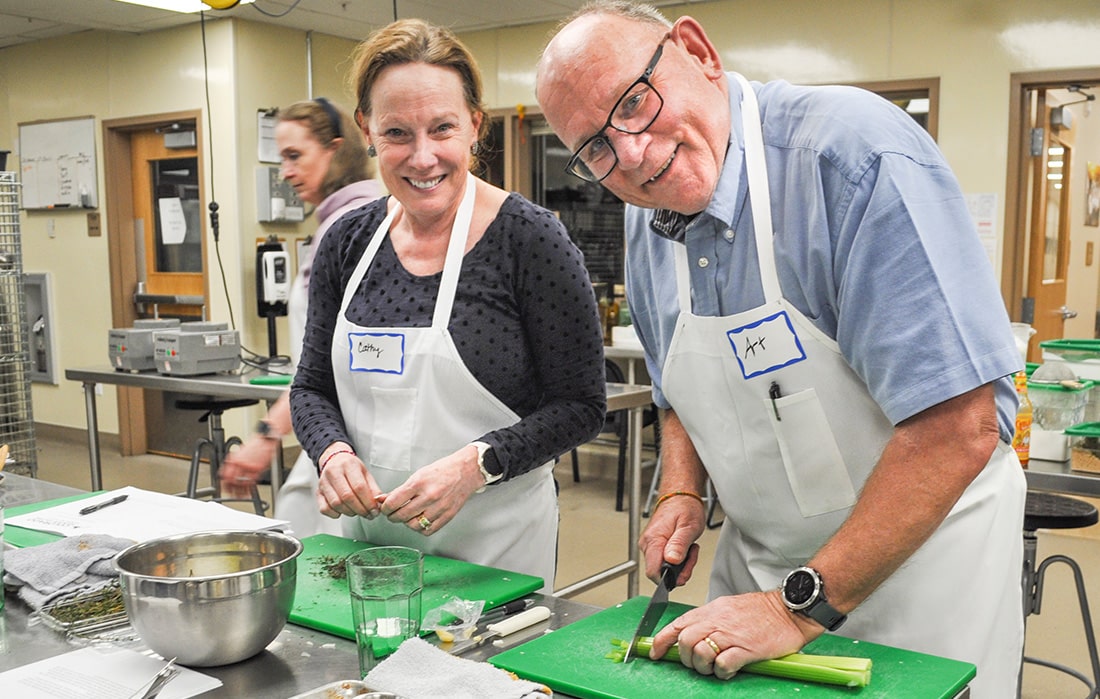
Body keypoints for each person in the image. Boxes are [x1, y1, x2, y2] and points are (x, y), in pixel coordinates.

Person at [536, 2, 1026, 696]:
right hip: (759, 586)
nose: (633, 155)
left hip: (925, 581)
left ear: (698, 51)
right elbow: (683, 392)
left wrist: (796, 606)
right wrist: (681, 486)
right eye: (595, 149)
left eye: (636, 102)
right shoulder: (645, 218)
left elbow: (957, 429)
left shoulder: (850, 156)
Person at [288, 18, 606, 589]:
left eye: (442, 129)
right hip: (368, 555)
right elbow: (311, 387)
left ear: (475, 127)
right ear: (367, 130)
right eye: (397, 134)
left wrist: (475, 466)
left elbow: (580, 405)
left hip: (494, 554)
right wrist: (331, 454)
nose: (423, 156)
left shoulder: (530, 241)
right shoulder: (347, 241)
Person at [220, 98, 383, 537]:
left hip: (347, 439)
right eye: (282, 159)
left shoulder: (351, 225)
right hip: (336, 432)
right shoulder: (343, 220)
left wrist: (266, 435)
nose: (286, 171)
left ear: (335, 149)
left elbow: (326, 363)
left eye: (296, 156)